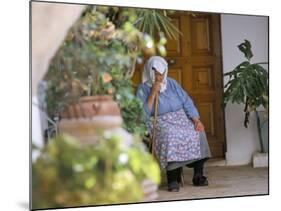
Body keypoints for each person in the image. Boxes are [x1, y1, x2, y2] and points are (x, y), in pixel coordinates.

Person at [136, 56, 211, 192]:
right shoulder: (142, 89)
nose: (159, 77)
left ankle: (198, 175)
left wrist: (196, 119)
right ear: (150, 72)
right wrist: (152, 93)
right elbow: (142, 116)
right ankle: (172, 179)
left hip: (181, 118)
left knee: (197, 131)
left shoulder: (172, 83)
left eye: (162, 73)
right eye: (156, 73)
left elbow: (186, 101)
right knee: (170, 134)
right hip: (159, 120)